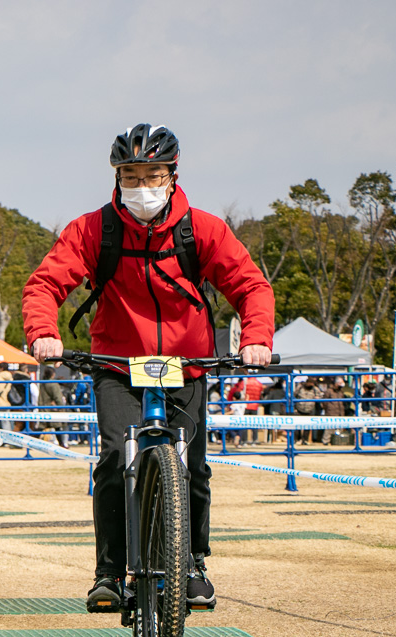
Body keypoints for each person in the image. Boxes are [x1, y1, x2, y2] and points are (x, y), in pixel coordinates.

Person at [22, 123, 274, 611]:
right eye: (130, 176)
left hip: (188, 364)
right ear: (116, 178)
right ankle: (110, 573)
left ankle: (194, 562)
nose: (142, 187)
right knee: (115, 461)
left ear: (173, 175)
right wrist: (43, 332)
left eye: (152, 175)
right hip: (118, 365)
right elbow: (45, 284)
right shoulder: (94, 229)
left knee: (194, 469)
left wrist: (257, 339)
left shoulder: (203, 229)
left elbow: (250, 285)